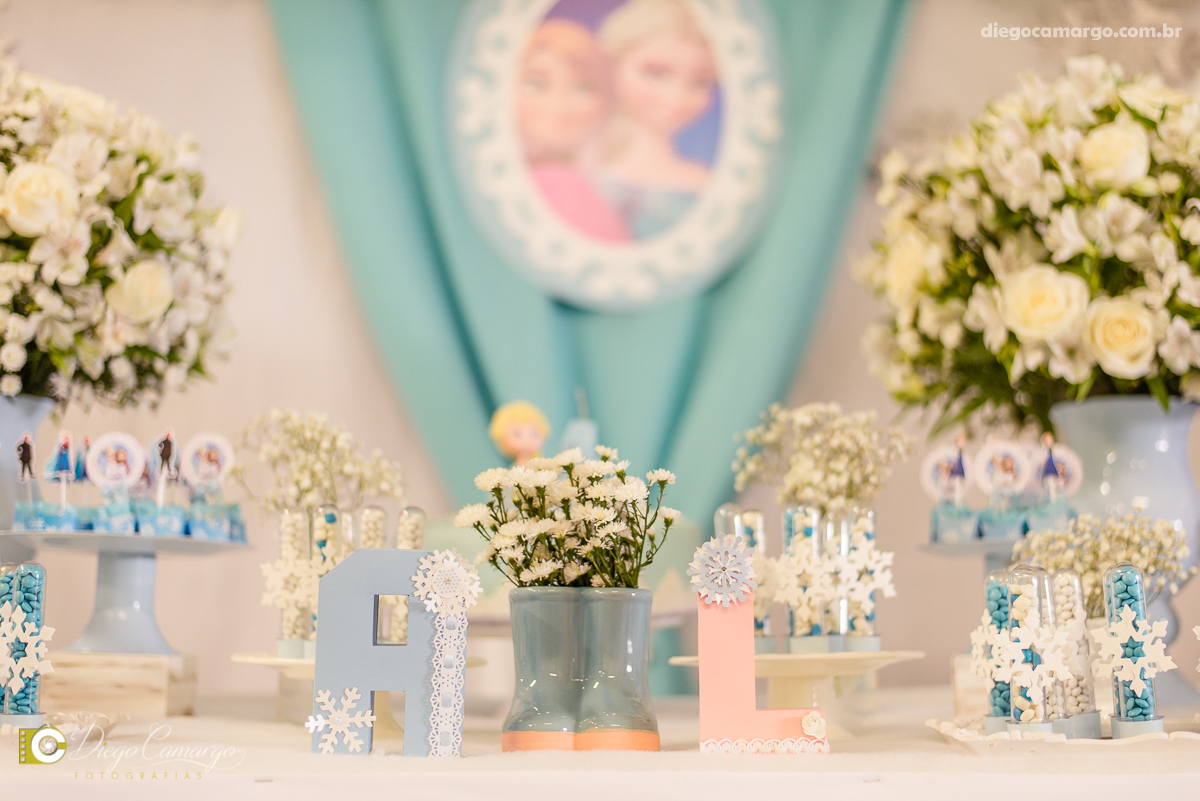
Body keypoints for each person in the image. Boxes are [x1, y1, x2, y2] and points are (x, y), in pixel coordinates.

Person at [591, 0, 718, 238]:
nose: (677, 97)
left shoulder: (706, 183)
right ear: (613, 66)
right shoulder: (585, 172)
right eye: (656, 73)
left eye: (701, 82)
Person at [517, 19, 630, 242]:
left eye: (583, 88)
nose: (559, 104)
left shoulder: (584, 183)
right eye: (535, 84)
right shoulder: (553, 181)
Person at [489, 400, 551, 467]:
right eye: (518, 434)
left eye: (534, 434)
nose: (527, 439)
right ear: (502, 439)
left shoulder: (544, 464)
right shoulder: (517, 467)